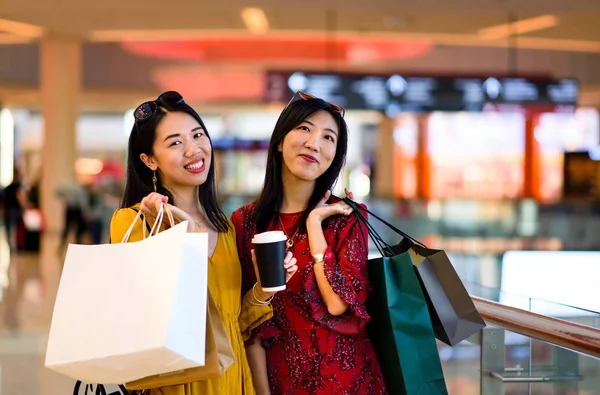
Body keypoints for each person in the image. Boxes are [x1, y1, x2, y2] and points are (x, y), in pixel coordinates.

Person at [109, 91, 298, 395]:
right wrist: (182, 226)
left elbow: (232, 323)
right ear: (149, 160)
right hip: (179, 383)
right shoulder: (133, 221)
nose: (193, 150)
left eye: (198, 135)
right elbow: (156, 315)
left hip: (235, 381)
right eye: (175, 142)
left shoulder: (225, 228)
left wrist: (263, 289)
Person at [231, 92, 387, 394]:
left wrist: (315, 224)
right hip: (280, 378)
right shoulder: (245, 222)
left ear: (335, 155)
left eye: (329, 137)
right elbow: (250, 325)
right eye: (304, 128)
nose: (314, 143)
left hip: (348, 381)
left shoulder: (347, 215)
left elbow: (337, 303)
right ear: (279, 141)